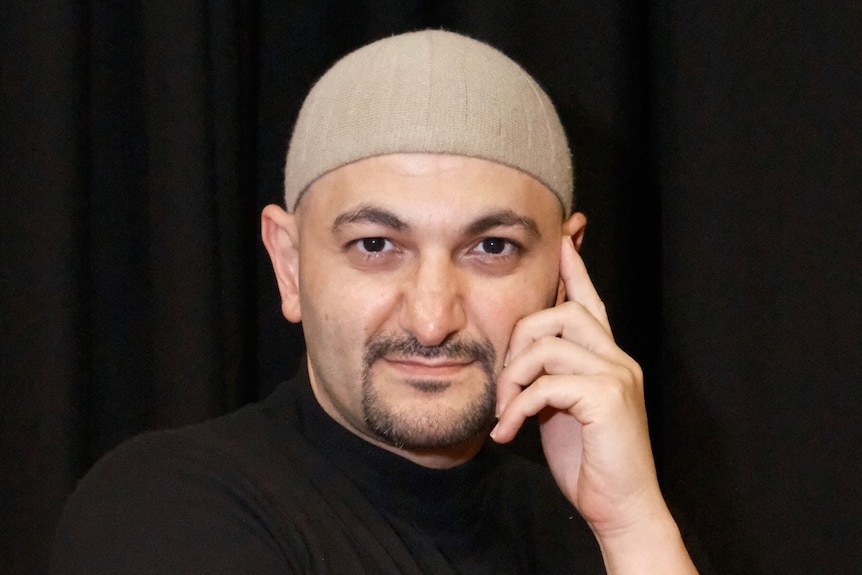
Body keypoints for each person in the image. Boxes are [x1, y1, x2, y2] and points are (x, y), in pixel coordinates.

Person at [52, 30, 698, 574]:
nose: (432, 318)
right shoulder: (164, 503)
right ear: (290, 263)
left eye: (492, 247)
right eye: (376, 244)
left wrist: (634, 525)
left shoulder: (592, 530)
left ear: (564, 268)